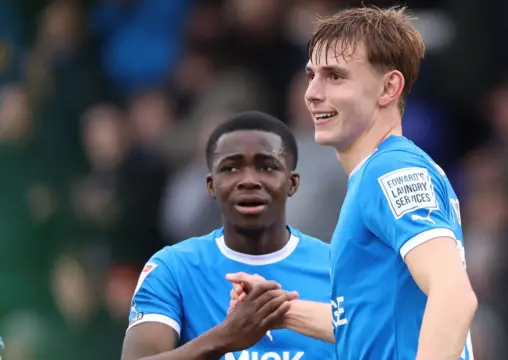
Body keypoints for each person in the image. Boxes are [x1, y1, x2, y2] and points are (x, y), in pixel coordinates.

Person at [227, 6, 477, 360]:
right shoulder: (377, 173)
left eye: (335, 76)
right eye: (311, 74)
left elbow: (453, 294)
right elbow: (373, 322)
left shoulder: (391, 170)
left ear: (389, 87)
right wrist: (278, 311)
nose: (312, 92)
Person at [121, 111, 334, 360]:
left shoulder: (337, 268)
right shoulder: (172, 269)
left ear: (292, 183)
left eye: (267, 167)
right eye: (231, 168)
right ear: (211, 185)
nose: (249, 180)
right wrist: (225, 337)